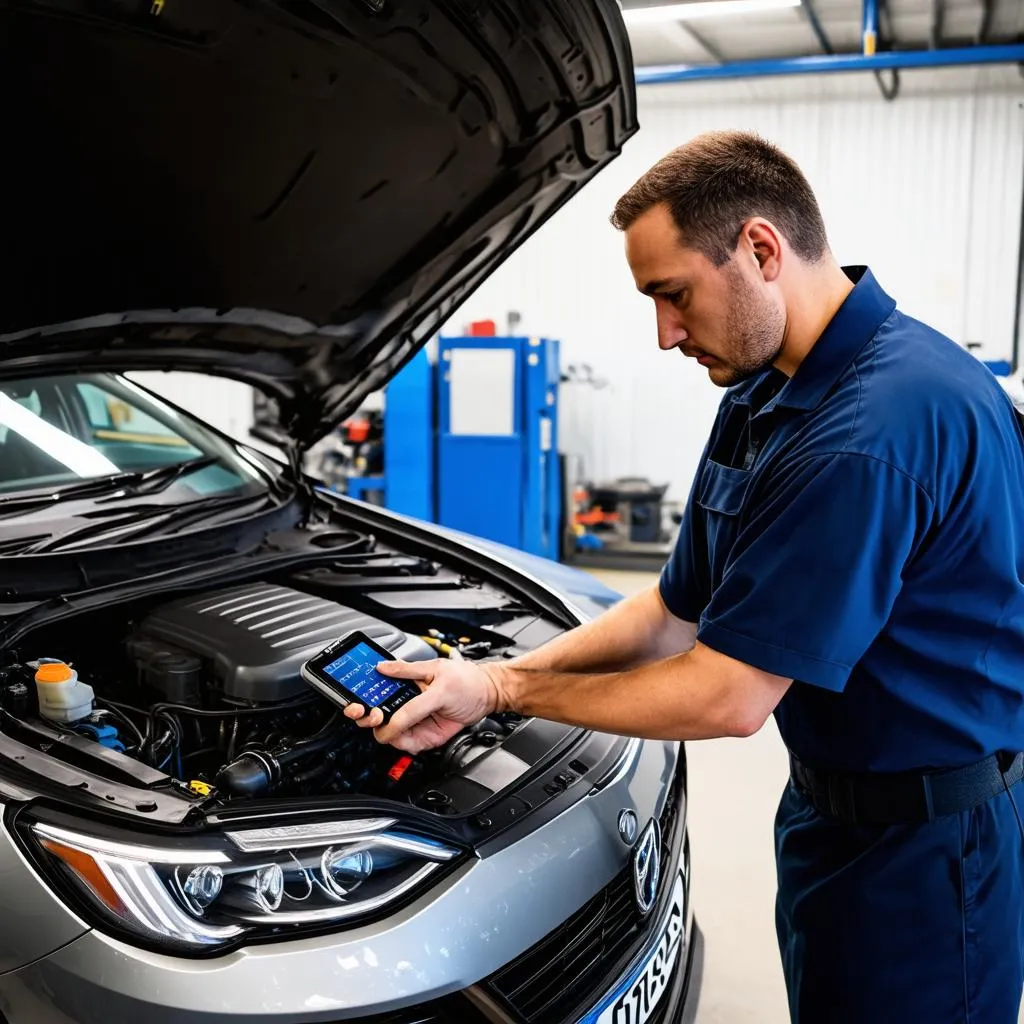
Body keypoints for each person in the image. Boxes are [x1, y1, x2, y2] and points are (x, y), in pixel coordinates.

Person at [345, 131, 1024, 1023]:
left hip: (929, 857)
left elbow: (729, 696)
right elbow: (673, 611)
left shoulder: (875, 428)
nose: (664, 335)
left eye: (674, 296)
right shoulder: (763, 389)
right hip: (830, 815)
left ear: (760, 250)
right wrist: (492, 676)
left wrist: (508, 696)